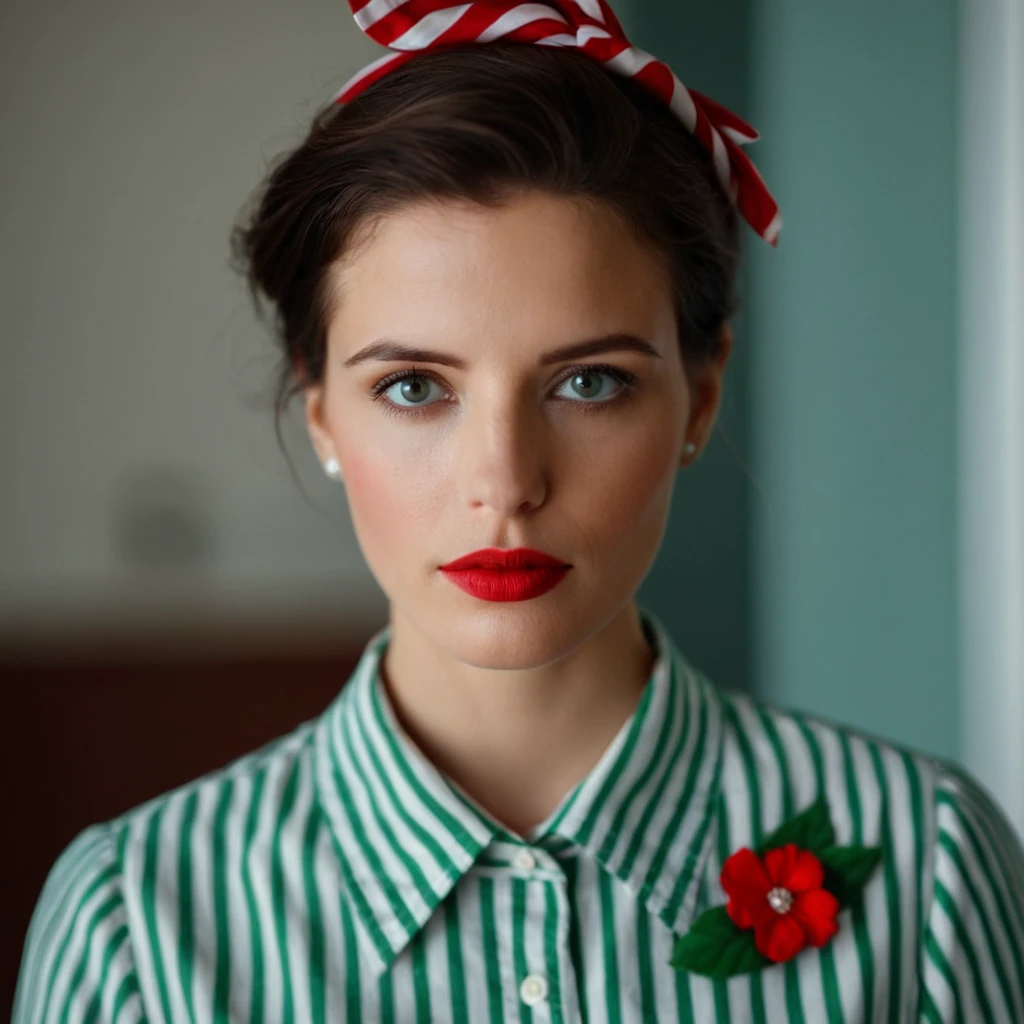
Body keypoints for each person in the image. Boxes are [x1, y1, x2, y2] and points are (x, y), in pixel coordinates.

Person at [13, 1, 1024, 1021]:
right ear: (320, 412)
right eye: (413, 386)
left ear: (701, 396)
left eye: (588, 383)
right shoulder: (134, 924)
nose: (504, 481)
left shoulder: (923, 865)